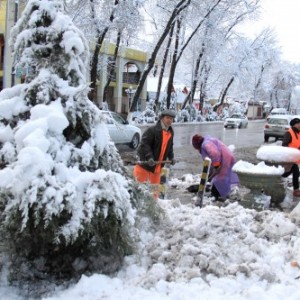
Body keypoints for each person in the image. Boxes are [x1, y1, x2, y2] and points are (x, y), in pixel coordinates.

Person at [133, 109, 176, 197]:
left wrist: (171, 158)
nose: (169, 120)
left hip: (157, 166)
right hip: (144, 166)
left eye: (171, 119)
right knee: (138, 189)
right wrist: (149, 157)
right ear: (162, 118)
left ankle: (153, 208)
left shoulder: (170, 132)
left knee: (154, 192)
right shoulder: (152, 130)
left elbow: (170, 146)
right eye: (167, 118)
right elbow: (145, 144)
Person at [192, 134, 239, 201]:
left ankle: (218, 195)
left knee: (220, 178)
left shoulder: (206, 144)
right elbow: (210, 160)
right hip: (225, 157)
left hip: (225, 159)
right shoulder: (206, 141)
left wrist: (216, 165)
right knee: (220, 178)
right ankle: (221, 194)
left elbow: (214, 153)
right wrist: (210, 173)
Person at [282, 117, 300, 197]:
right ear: (294, 125)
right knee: (292, 171)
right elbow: (284, 145)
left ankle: (294, 186)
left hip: (296, 157)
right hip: (289, 158)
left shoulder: (299, 133)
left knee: (295, 172)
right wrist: (291, 151)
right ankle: (296, 190)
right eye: (298, 123)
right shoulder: (289, 133)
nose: (299, 125)